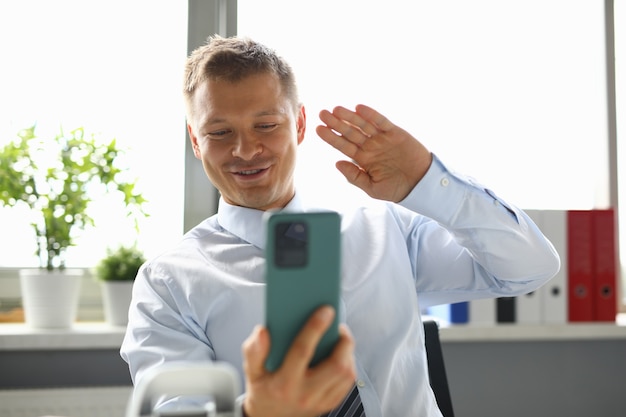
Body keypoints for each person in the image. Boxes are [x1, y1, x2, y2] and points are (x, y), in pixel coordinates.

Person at [120, 35, 560, 417]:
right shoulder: (168, 284)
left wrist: (428, 182)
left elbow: (529, 267)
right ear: (195, 141)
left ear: (300, 124)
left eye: (266, 125)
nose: (246, 149)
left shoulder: (385, 226)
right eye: (219, 133)